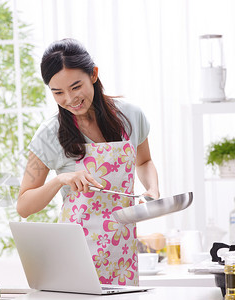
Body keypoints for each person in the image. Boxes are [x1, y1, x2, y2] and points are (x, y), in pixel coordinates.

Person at [16, 38, 160, 286]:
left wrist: (153, 188)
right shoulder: (49, 135)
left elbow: (144, 161)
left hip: (122, 255)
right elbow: (24, 206)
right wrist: (61, 179)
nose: (70, 99)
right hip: (74, 258)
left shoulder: (131, 116)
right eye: (57, 92)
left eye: (75, 86)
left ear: (93, 74)